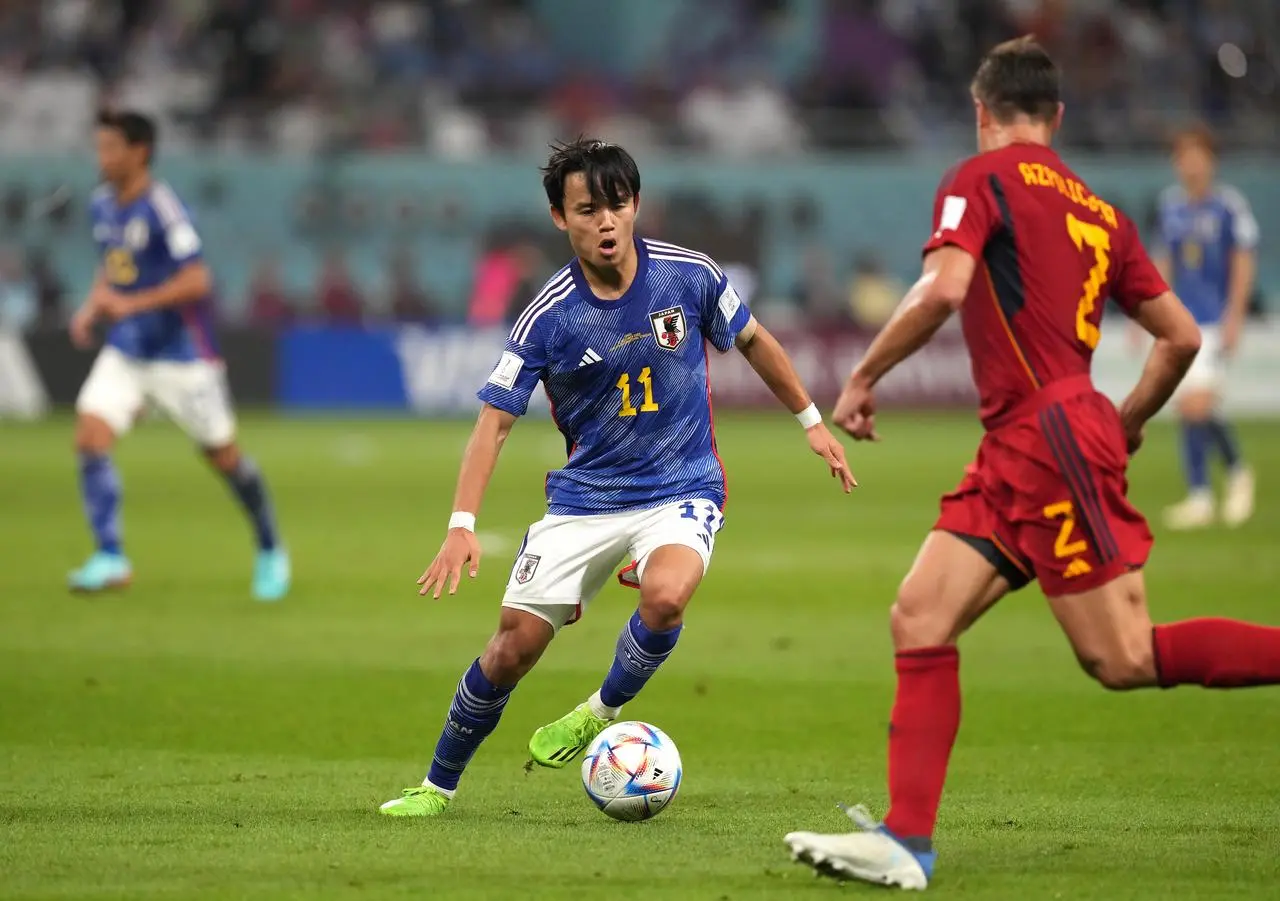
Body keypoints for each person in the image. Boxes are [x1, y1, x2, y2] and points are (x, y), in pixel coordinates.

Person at [781, 37, 1280, 890]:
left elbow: (943, 287)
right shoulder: (1099, 208)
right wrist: (1122, 421)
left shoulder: (979, 179)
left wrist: (863, 374)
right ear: (1057, 116)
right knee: (919, 615)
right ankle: (907, 840)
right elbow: (1181, 336)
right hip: (1034, 438)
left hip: (1043, 437)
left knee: (1121, 657)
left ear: (982, 113)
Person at [380, 138, 854, 818]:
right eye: (586, 209)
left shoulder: (688, 277)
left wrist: (811, 419)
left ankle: (600, 710)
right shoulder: (548, 316)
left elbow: (752, 338)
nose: (605, 221)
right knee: (512, 647)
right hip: (586, 499)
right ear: (558, 218)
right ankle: (436, 785)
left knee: (665, 597)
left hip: (681, 486)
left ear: (635, 206)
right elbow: (494, 422)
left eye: (617, 205)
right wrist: (462, 526)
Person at [68, 110, 290, 601]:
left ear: (139, 151)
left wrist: (130, 303)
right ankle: (110, 556)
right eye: (99, 147)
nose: (101, 157)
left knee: (224, 456)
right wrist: (92, 307)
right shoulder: (101, 205)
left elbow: (197, 280)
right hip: (127, 351)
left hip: (182, 356)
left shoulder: (164, 208)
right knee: (90, 437)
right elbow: (113, 268)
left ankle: (271, 548)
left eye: (110, 148)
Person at [1151, 124, 1257, 529]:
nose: (1190, 164)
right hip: (1182, 321)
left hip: (1214, 320)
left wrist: (1235, 316)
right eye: (1183, 156)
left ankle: (1227, 477)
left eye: (1197, 155)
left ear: (1210, 160)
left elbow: (1242, 262)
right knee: (1190, 408)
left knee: (1197, 405)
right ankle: (1212, 487)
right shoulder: (1170, 208)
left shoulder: (1229, 207)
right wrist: (1149, 316)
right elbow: (1162, 266)